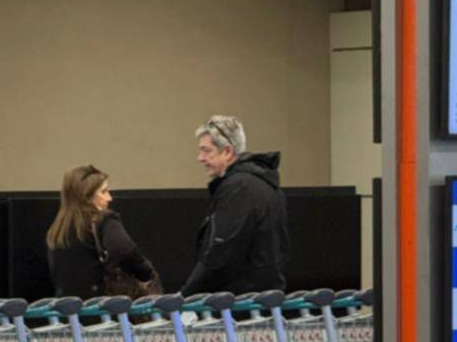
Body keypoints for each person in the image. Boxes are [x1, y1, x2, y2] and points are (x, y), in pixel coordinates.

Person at [181, 115, 289, 297]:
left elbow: (221, 250)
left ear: (227, 152)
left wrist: (187, 294)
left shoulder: (238, 188)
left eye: (206, 151)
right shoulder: (266, 183)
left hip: (239, 300)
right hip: (267, 297)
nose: (200, 158)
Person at [47, 165, 159, 299]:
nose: (109, 198)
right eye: (104, 192)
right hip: (101, 304)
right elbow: (124, 249)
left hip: (68, 307)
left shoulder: (57, 230)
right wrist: (145, 275)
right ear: (87, 196)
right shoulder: (103, 220)